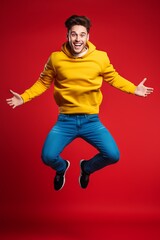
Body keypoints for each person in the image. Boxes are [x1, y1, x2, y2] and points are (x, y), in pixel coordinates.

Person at [6, 15, 154, 191]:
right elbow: (43, 83)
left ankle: (86, 168)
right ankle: (62, 168)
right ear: (68, 36)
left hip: (91, 121)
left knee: (113, 155)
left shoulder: (100, 58)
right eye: (74, 34)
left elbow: (113, 78)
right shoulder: (55, 59)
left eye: (82, 35)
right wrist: (23, 97)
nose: (78, 39)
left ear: (88, 37)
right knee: (47, 157)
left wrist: (133, 89)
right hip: (65, 121)